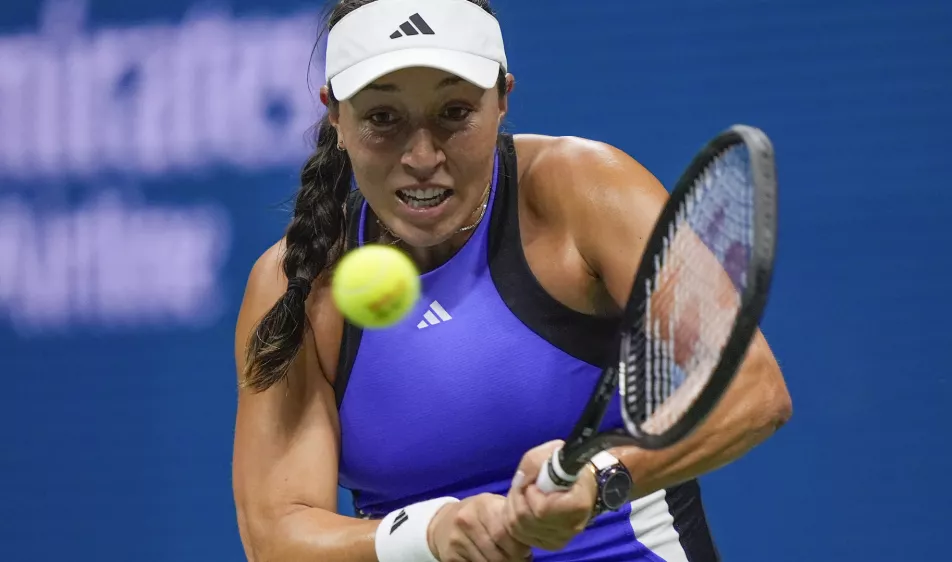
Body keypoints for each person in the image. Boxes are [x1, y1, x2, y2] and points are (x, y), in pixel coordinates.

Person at [231, 0, 793, 560]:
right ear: (336, 116)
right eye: (383, 119)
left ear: (502, 99)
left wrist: (602, 480)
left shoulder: (583, 191)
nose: (422, 155)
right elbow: (277, 537)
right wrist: (427, 535)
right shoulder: (294, 285)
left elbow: (752, 390)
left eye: (454, 112)